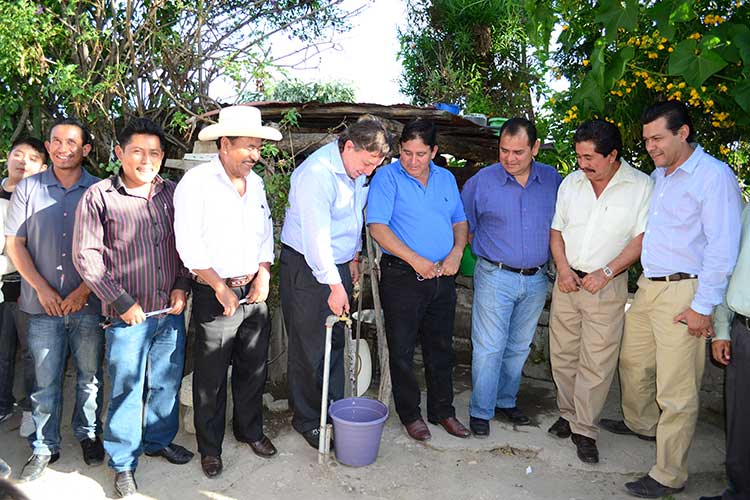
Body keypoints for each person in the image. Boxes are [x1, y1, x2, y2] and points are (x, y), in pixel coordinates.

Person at [599, 101, 743, 498]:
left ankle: (669, 474)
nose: (650, 147)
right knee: (632, 361)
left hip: (686, 289)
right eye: (646, 140)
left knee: (677, 389)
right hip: (649, 286)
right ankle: (643, 425)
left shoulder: (713, 177)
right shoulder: (660, 174)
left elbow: (723, 247)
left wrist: (704, 309)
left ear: (683, 133)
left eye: (658, 138)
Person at [73, 118, 193, 497]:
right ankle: (123, 463)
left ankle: (157, 440)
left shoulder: (173, 194)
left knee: (166, 383)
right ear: (120, 153)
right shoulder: (100, 196)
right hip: (127, 317)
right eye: (137, 151)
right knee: (127, 388)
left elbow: (188, 244)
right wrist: (121, 301)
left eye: (154, 153)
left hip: (168, 313)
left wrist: (181, 285)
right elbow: (87, 256)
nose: (146, 159)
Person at [174, 105, 281, 478]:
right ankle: (209, 447)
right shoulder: (197, 183)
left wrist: (264, 273)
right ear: (224, 144)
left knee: (253, 370)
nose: (254, 154)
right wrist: (219, 287)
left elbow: (264, 232)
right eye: (247, 146)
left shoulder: (257, 185)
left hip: (252, 292)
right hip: (214, 293)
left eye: (257, 147)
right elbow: (187, 244)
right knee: (211, 378)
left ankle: (250, 430)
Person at [280, 116, 389, 449]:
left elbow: (352, 217)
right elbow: (317, 238)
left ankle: (334, 410)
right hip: (308, 266)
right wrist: (334, 285)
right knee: (310, 345)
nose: (368, 171)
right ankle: (308, 419)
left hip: (337, 265)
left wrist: (353, 257)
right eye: (367, 163)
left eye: (376, 166)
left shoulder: (354, 169)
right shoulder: (318, 175)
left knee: (338, 341)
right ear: (349, 146)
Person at [5, 118, 105, 482]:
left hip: (87, 305)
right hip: (40, 306)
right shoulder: (28, 189)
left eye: (72, 142)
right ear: (48, 147)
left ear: (86, 149)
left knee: (89, 377)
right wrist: (42, 289)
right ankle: (44, 445)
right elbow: (15, 243)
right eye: (57, 141)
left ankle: (88, 434)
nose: (64, 148)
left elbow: (109, 248)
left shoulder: (99, 189)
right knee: (44, 382)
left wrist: (84, 290)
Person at [547, 120, 652, 464]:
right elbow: (557, 231)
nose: (583, 164)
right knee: (562, 355)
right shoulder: (571, 183)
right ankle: (568, 414)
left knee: (597, 361)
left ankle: (586, 430)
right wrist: (562, 269)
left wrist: (607, 272)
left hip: (607, 285)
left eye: (590, 157)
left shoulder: (640, 187)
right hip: (568, 281)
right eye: (579, 157)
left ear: (613, 155)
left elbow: (641, 239)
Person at [367, 118, 470, 441]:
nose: (413, 160)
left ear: (434, 152)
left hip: (442, 274)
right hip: (402, 276)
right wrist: (416, 261)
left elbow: (459, 221)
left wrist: (456, 253)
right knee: (401, 350)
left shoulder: (446, 178)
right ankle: (411, 415)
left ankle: (443, 412)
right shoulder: (386, 177)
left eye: (421, 154)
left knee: (441, 349)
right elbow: (378, 227)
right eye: (407, 152)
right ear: (399, 150)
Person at [461, 117, 561, 437]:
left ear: (535, 148)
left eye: (518, 152)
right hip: (494, 274)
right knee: (489, 347)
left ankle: (505, 401)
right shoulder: (482, 181)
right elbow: (463, 225)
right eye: (504, 150)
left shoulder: (552, 181)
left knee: (518, 346)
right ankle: (481, 409)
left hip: (535, 279)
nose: (509, 158)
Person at [699, 203, 750, 500]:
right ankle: (739, 491)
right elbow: (728, 269)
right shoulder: (747, 212)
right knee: (741, 418)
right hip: (744, 330)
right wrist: (722, 329)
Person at [0, 138, 47, 437]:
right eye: (18, 154)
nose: (23, 161)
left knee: (32, 352)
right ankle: (3, 404)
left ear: (43, 168)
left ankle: (31, 409)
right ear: (7, 157)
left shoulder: (42, 200)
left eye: (31, 158)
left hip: (27, 287)